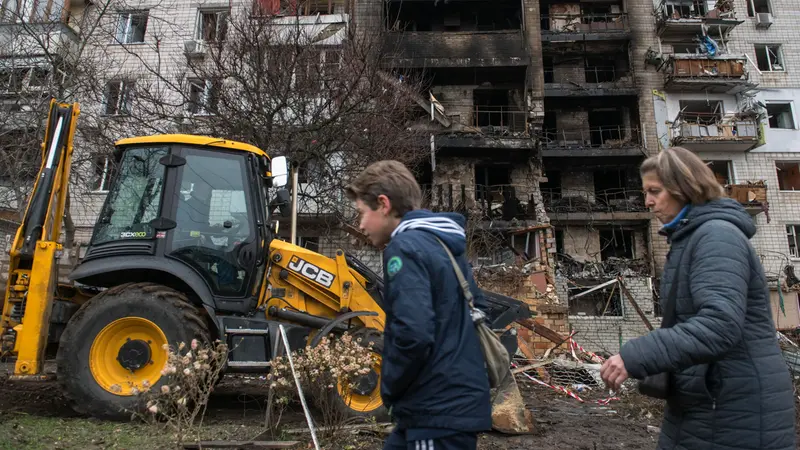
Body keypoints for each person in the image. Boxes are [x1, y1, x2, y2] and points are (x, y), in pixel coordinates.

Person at [600, 147, 796, 449]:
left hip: (734, 409)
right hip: (707, 401)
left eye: (655, 191)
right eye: (646, 192)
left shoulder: (717, 237)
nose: (648, 201)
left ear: (684, 188)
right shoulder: (691, 238)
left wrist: (636, 355)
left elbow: (719, 325)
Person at [345, 160, 492, 450]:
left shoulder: (405, 248)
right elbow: (480, 308)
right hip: (450, 404)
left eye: (362, 213)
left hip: (435, 410)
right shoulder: (442, 244)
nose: (360, 225)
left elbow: (413, 333)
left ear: (383, 204)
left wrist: (389, 388)